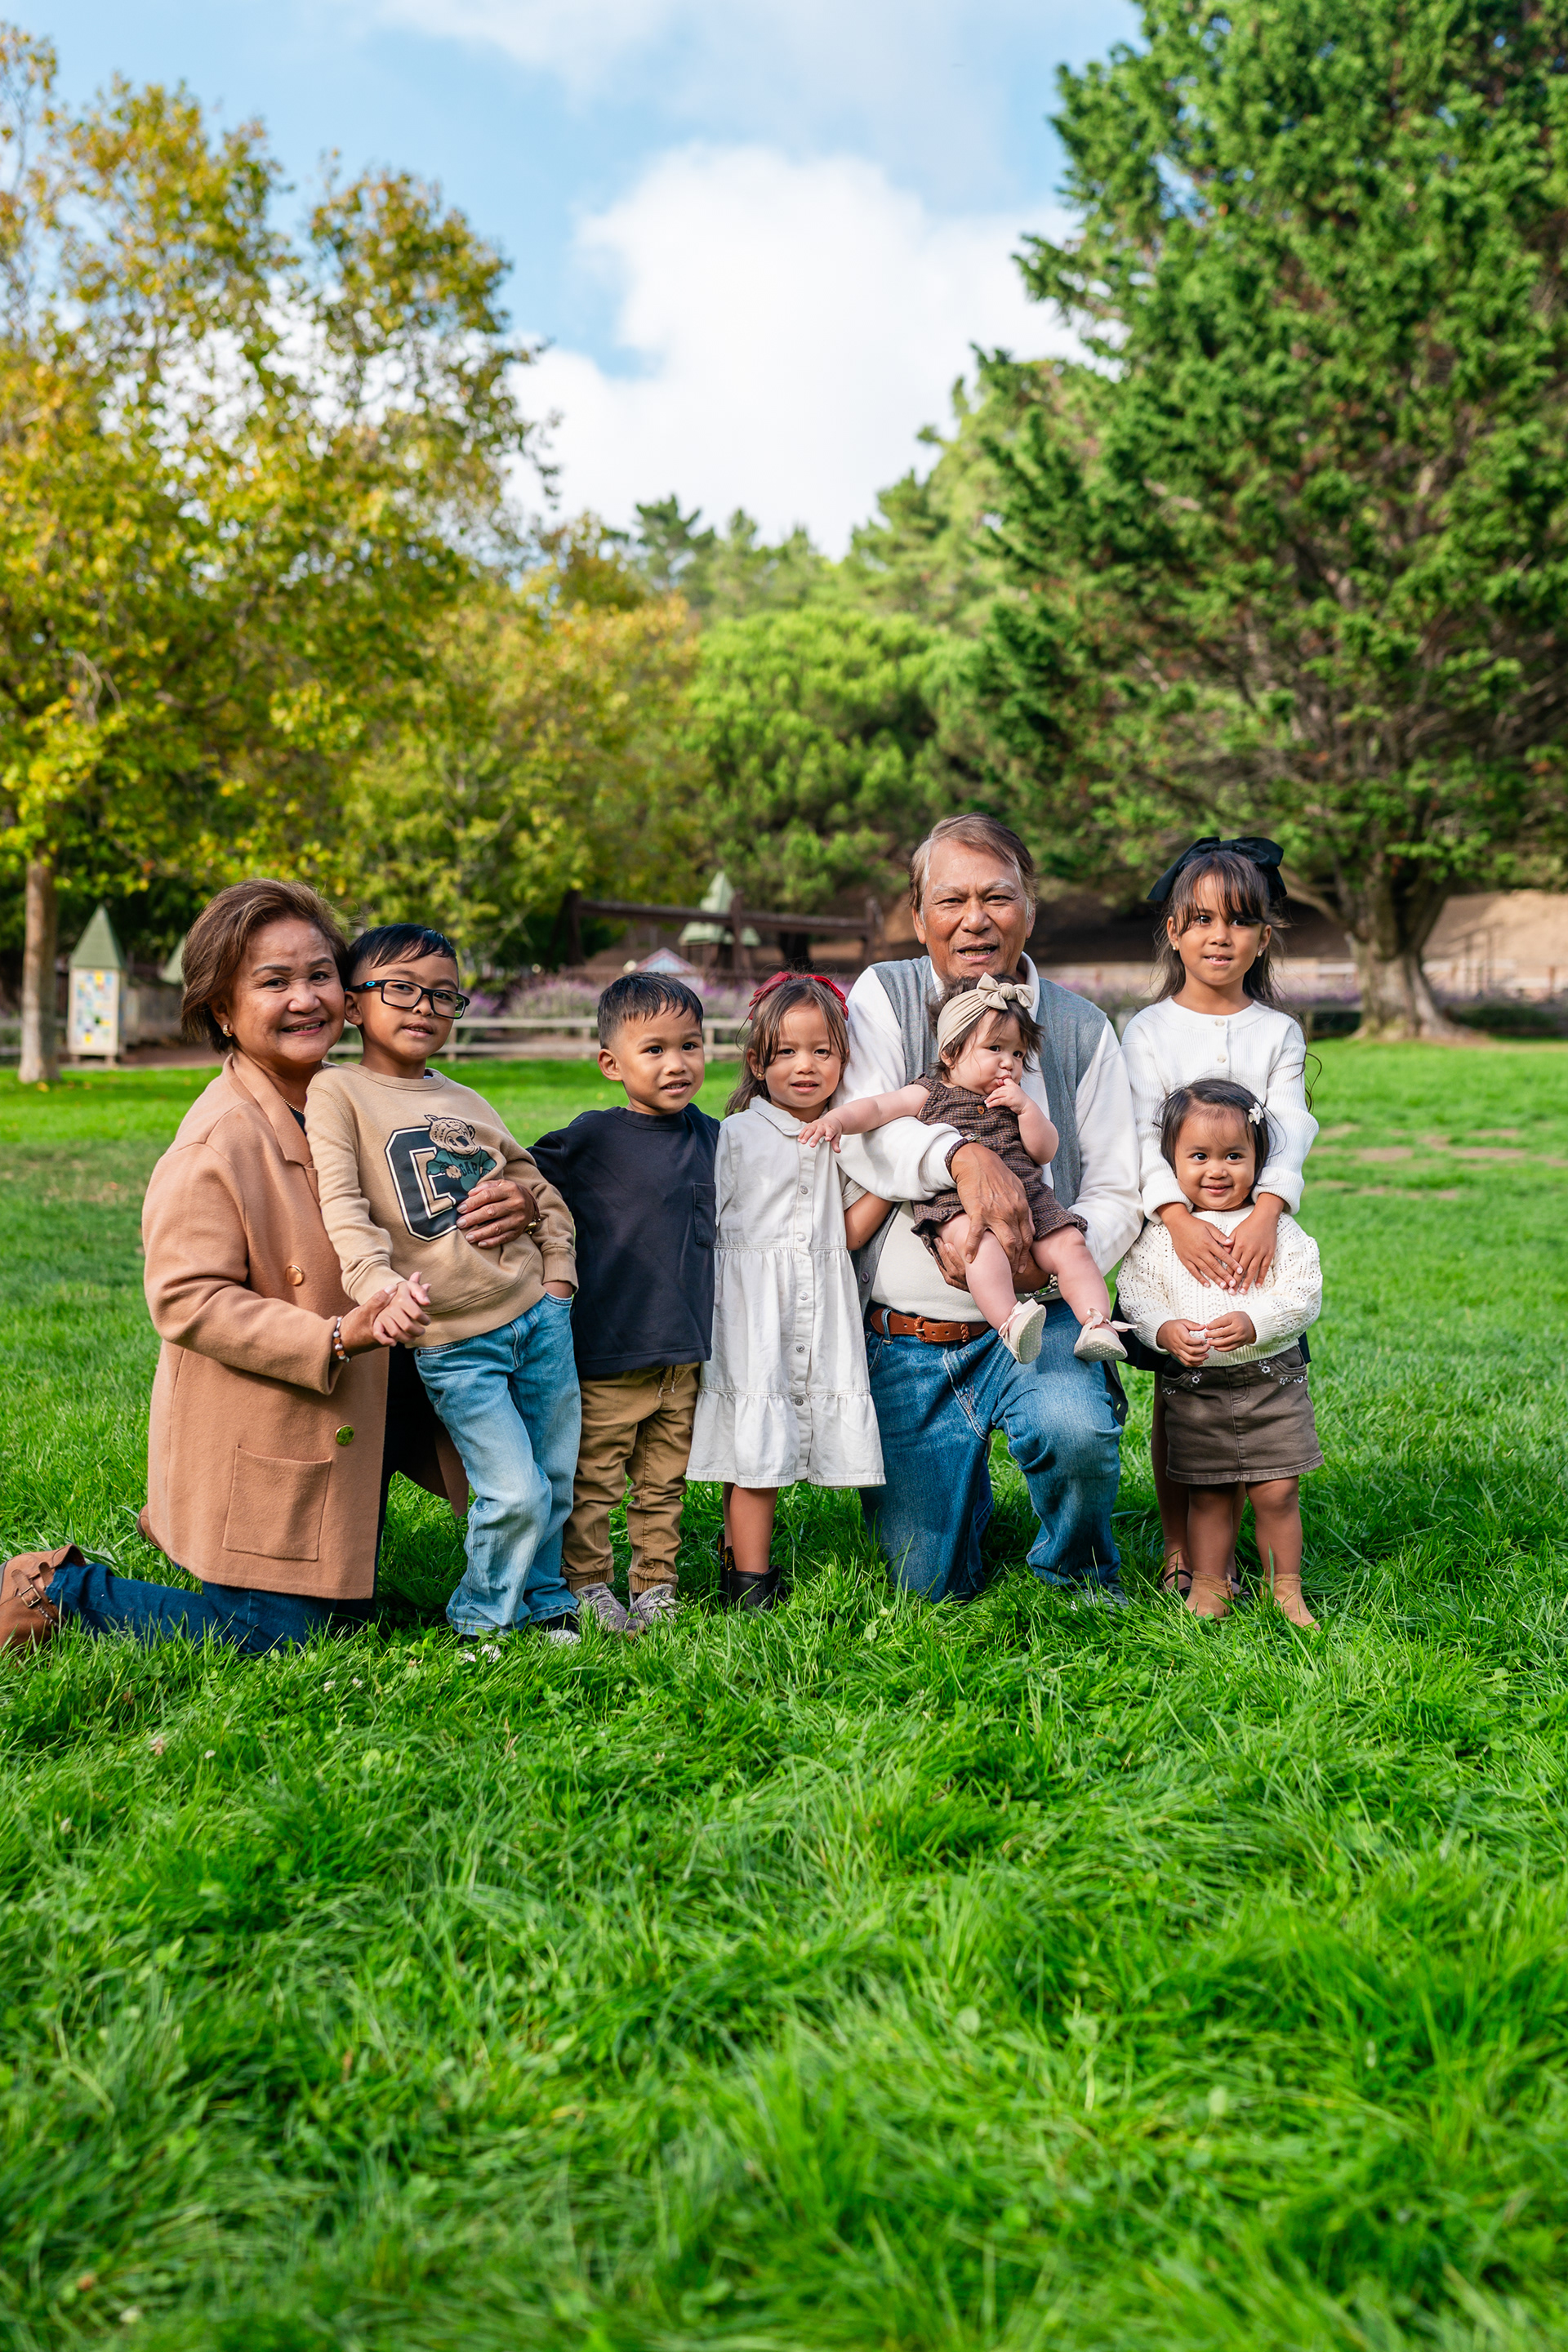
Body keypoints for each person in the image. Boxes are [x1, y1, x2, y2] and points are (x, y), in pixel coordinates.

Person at [0, 879, 536, 1658]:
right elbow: (186, 1299)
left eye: (320, 975)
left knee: (356, 1606)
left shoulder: (364, 1098)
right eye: (273, 981)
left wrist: (517, 1199)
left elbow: (454, 1178)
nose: (305, 999)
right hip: (283, 1411)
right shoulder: (218, 1141)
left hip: (383, 1394)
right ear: (223, 1008)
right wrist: (335, 1337)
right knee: (282, 1636)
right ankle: (54, 1591)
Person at [833, 813, 1143, 1606]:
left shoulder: (1080, 1026)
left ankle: (1076, 1568)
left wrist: (1047, 1257)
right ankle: (950, 1503)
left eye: (997, 897)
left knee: (1075, 1432)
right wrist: (962, 1159)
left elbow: (1118, 1186)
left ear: (1029, 910)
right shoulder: (884, 995)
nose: (975, 919)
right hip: (912, 1333)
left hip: (1045, 1311)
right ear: (919, 918)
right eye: (952, 900)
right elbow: (865, 1137)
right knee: (924, 1585)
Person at [305, 924, 582, 1646]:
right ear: (354, 1004)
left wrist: (558, 1277)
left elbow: (536, 1189)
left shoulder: (467, 1099)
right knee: (513, 1489)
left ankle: (545, 1598)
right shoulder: (339, 1091)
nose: (424, 1006)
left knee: (554, 1476)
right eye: (401, 988)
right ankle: (481, 1620)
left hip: (536, 1314)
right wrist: (376, 1286)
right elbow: (344, 1206)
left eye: (442, 995)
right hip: (455, 1341)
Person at [1119, 839, 1318, 1597]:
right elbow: (1139, 1134)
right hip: (1173, 1235)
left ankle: (1255, 1533)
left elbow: (1290, 1127)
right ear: (1173, 932)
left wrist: (1267, 1213)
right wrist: (1176, 1219)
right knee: (1181, 1387)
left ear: (1263, 937)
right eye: (1201, 920)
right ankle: (1185, 1550)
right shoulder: (1148, 1030)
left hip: (1254, 1231)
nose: (1219, 936)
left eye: (1238, 921)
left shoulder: (1278, 1033)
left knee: (1254, 1365)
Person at [803, 972, 1128, 1368]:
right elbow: (875, 1108)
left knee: (1071, 1245)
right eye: (995, 1048)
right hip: (955, 1207)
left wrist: (1027, 1110)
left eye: (1019, 1054)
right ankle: (1010, 1321)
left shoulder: (1013, 1100)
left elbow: (1045, 1151)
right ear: (951, 1053)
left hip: (1030, 1199)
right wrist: (836, 1120)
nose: (1009, 1062)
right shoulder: (928, 1093)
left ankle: (1097, 1323)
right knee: (980, 1249)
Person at [688, 973, 885, 1610]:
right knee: (756, 1442)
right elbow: (706, 1225)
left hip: (816, 1307)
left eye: (823, 1051)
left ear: (844, 1060)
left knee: (765, 1438)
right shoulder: (737, 1136)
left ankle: (736, 1559)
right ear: (757, 1063)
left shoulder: (845, 1138)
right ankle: (749, 1583)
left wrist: (892, 1182)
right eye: (787, 1052)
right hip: (751, 1315)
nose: (806, 1066)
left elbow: (846, 1234)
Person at [528, 975, 719, 1633]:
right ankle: (586, 1582)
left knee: (664, 1484)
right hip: (609, 1354)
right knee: (595, 1484)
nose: (677, 1063)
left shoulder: (713, 1137)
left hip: (684, 1357)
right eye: (655, 1049)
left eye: (690, 1045)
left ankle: (655, 1584)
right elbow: (521, 1175)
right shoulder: (592, 1139)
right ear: (612, 1064)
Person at [1114, 1080, 1323, 1624]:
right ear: (1172, 1161)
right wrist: (1164, 1331)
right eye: (1199, 1156)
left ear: (1259, 1160)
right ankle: (1210, 1587)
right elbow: (1136, 1295)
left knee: (1277, 1491)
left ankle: (1285, 1590)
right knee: (1208, 1492)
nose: (1217, 1170)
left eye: (1234, 1156)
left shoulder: (1278, 1230)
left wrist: (1257, 1322)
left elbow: (1304, 1294)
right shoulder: (1160, 1236)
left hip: (1271, 1380)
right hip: (1198, 1384)